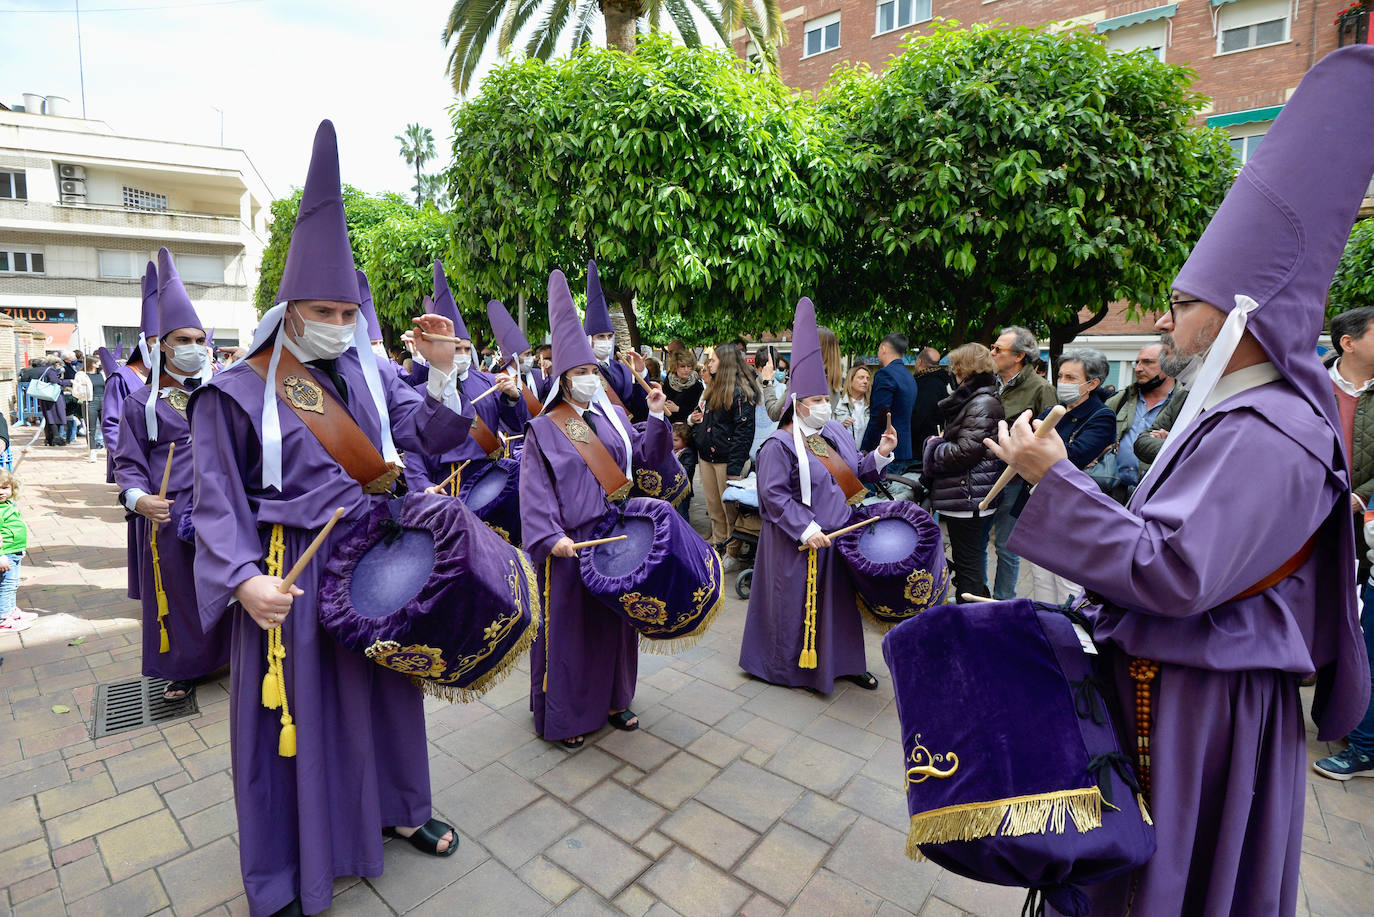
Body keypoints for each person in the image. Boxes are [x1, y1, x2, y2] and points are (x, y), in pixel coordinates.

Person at [989, 47, 1373, 915]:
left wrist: (1056, 480)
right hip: (1184, 686)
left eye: (1185, 296)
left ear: (1242, 308)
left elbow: (1174, 570)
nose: (1169, 313)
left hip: (1204, 707)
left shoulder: (1274, 429)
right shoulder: (1242, 409)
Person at [188, 120, 476, 917]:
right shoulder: (239, 389)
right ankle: (289, 869)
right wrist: (243, 579)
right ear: (290, 307)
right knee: (296, 727)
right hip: (293, 577)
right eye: (324, 310)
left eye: (350, 312)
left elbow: (425, 433)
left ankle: (399, 810)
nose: (340, 325)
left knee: (387, 699)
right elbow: (212, 496)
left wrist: (446, 376)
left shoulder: (370, 369)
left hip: (378, 564)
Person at [520, 268, 671, 749]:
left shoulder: (612, 416)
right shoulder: (544, 429)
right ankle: (566, 716)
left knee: (617, 623)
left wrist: (659, 414)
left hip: (615, 536)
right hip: (569, 544)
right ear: (563, 380)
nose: (591, 377)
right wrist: (550, 537)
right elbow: (535, 490)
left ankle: (615, 698)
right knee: (571, 634)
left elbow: (645, 455)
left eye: (593, 371)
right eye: (581, 373)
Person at [739, 297, 897, 693]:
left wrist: (880, 454)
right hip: (798, 542)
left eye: (826, 398)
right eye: (817, 401)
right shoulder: (779, 444)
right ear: (797, 404)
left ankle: (843, 663)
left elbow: (853, 475)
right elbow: (773, 497)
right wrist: (805, 528)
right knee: (794, 608)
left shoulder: (830, 433)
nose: (824, 406)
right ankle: (789, 669)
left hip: (837, 537)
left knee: (839, 610)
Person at [114, 248, 232, 702]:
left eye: (199, 340)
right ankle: (185, 666)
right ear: (162, 345)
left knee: (224, 582)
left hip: (220, 505)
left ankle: (227, 655)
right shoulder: (139, 403)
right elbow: (127, 461)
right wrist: (139, 499)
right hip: (169, 509)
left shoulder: (218, 393)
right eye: (183, 339)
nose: (194, 348)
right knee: (179, 593)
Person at [410, 260, 524, 492]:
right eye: (456, 348)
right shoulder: (420, 393)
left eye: (465, 349)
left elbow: (516, 425)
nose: (461, 354)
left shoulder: (489, 382)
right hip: (442, 482)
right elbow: (413, 451)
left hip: (490, 480)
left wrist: (513, 397)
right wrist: (423, 486)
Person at [1019, 347, 1116, 605]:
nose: (1062, 383)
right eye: (1060, 376)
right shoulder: (1050, 412)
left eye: (1071, 378)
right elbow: (1024, 451)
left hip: (1072, 509)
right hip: (1039, 503)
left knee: (1067, 583)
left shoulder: (1101, 416)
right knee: (1040, 577)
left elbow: (1071, 459)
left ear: (1092, 383)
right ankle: (1046, 630)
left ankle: (1071, 637)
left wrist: (1039, 452)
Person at [920, 343, 1004, 600]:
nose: (952, 373)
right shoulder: (978, 399)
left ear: (964, 369)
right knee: (970, 560)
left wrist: (933, 446)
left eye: (955, 367)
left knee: (968, 565)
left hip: (967, 496)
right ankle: (976, 613)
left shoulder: (981, 402)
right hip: (967, 494)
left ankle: (970, 620)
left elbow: (964, 452)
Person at [986, 325, 1055, 599]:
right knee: (978, 543)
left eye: (998, 349)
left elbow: (1048, 440)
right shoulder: (988, 384)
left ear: (1018, 356)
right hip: (982, 474)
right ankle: (979, 598)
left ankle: (1003, 604)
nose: (991, 352)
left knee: (1005, 545)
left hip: (1015, 480)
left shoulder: (1041, 389)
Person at [689, 343, 758, 569]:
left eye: (714, 359)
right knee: (714, 507)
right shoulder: (713, 387)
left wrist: (735, 468)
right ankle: (719, 546)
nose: (709, 363)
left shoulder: (741, 391)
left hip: (727, 461)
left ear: (726, 362)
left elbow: (744, 432)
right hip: (707, 457)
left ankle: (733, 553)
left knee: (730, 510)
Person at [104, 264, 158, 483]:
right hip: (137, 464)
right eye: (155, 343)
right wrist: (130, 463)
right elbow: (111, 425)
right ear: (143, 345)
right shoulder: (121, 379)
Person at [1105, 343, 1178, 500]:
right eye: (1136, 362)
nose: (1138, 368)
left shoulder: (1185, 404)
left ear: (1169, 365)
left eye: (1147, 362)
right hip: (1114, 492)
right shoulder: (1121, 399)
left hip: (1157, 494)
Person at [583, 260, 649, 420]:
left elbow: (641, 408)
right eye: (600, 336)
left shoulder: (624, 370)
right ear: (589, 339)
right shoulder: (580, 371)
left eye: (609, 336)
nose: (606, 340)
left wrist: (641, 372)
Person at [861, 333, 917, 471]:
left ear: (884, 348)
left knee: (870, 491)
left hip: (885, 450)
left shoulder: (885, 374)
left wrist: (865, 448)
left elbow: (879, 416)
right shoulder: (909, 377)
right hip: (904, 449)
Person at [909, 347, 951, 467]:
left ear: (919, 362)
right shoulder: (943, 381)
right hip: (938, 442)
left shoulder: (926, 384)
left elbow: (920, 416)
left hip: (922, 446)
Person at [0, 470, 30, 632]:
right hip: (5, 554)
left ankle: (10, 610)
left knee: (13, 583)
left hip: (14, 550)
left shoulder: (7, 505)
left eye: (5, 487)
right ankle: (3, 617)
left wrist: (20, 548)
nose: (1, 492)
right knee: (6, 585)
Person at [834, 363, 871, 446]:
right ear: (850, 381)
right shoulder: (839, 404)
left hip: (865, 455)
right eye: (861, 378)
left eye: (868, 379)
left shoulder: (871, 407)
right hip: (843, 453)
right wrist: (840, 425)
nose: (865, 381)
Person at [39, 357, 70, 447]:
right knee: (55, 416)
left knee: (49, 417)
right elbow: (55, 381)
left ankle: (48, 438)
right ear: (56, 363)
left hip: (45, 397)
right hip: (52, 397)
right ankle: (56, 438)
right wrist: (69, 382)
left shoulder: (43, 369)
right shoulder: (51, 371)